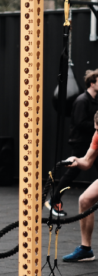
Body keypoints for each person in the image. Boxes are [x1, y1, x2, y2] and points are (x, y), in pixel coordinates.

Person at [45, 69, 98, 217]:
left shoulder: (94, 100)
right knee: (72, 172)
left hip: (90, 142)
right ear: (92, 83)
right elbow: (80, 123)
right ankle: (53, 200)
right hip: (80, 142)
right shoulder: (82, 100)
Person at [61, 110, 98, 262]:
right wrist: (76, 160)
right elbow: (87, 161)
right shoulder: (97, 135)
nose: (97, 132)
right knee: (85, 200)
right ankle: (85, 249)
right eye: (96, 129)